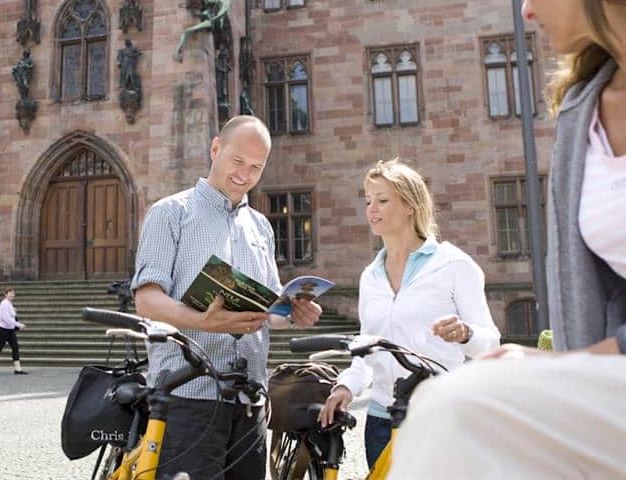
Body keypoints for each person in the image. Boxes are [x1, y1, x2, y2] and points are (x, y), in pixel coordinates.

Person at [388, 0, 626, 477]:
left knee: (452, 412)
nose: (524, 9)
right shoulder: (584, 110)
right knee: (446, 411)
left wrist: (572, 366)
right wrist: (568, 364)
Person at [130, 115, 322, 480]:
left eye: (256, 167)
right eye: (238, 161)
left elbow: (269, 313)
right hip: (188, 393)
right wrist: (203, 321)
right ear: (215, 148)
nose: (244, 174)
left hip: (249, 398)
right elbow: (147, 300)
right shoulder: (171, 213)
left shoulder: (261, 227)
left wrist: (293, 312)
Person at [317, 159, 500, 471]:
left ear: (410, 205)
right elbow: (366, 352)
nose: (372, 209)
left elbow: (491, 343)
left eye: (383, 200)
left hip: (437, 415)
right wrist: (346, 386)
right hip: (381, 421)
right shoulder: (370, 276)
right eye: (368, 201)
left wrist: (465, 333)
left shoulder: (454, 265)